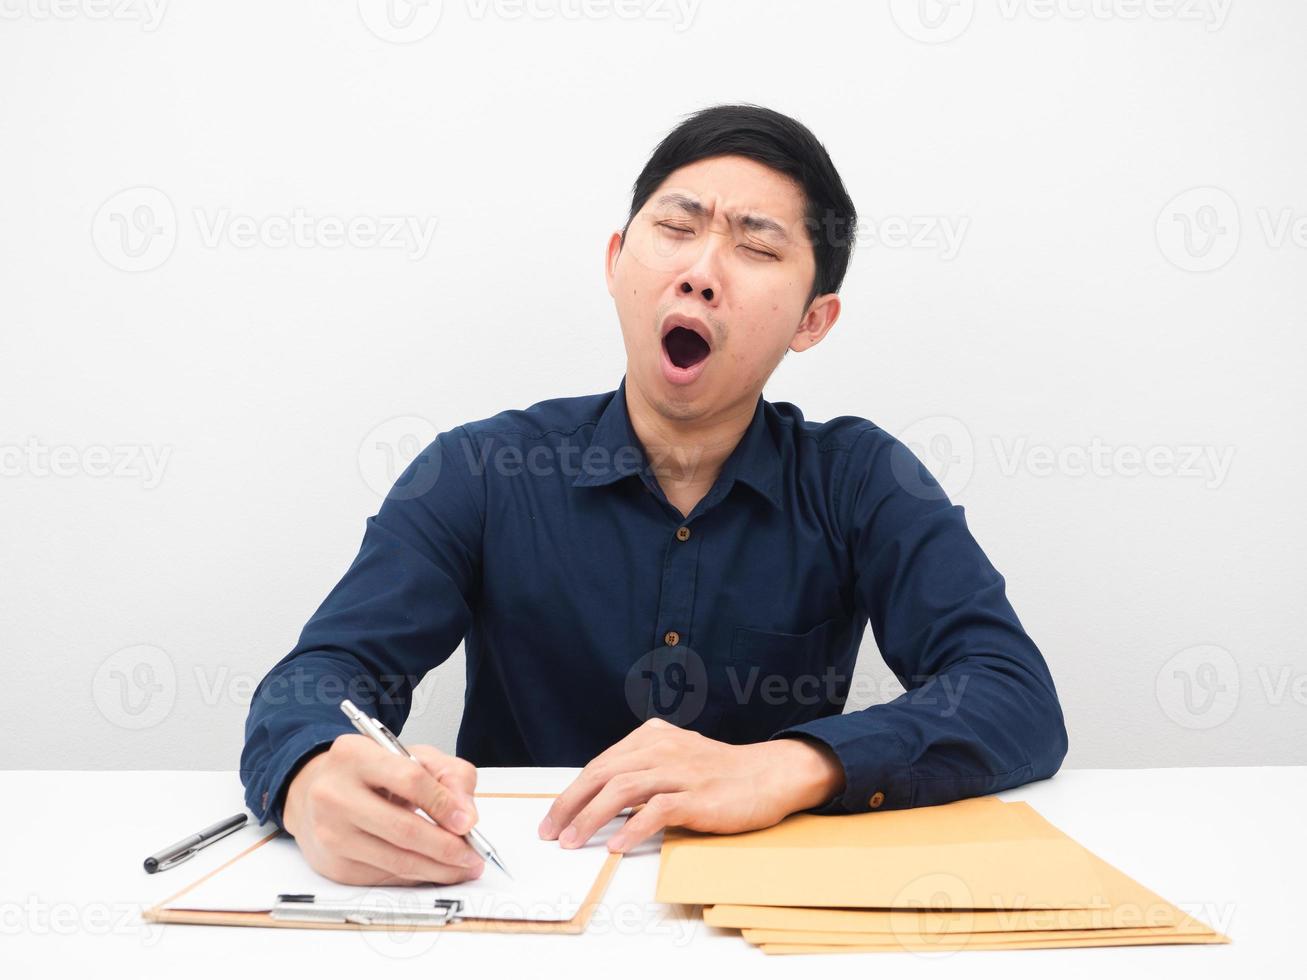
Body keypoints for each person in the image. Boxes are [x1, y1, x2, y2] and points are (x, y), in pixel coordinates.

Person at [240, 103, 1068, 887]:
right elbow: (322, 674)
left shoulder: (858, 481)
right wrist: (311, 772)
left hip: (753, 916)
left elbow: (1011, 692)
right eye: (674, 228)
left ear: (812, 321)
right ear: (614, 262)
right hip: (513, 889)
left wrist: (782, 766)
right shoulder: (481, 470)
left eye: (756, 246)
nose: (700, 272)